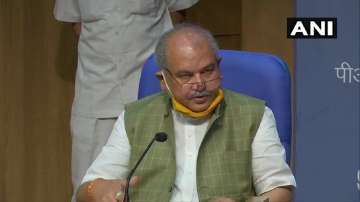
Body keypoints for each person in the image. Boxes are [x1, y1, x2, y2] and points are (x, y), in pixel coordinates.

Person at [76, 24, 296, 202]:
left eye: (208, 71)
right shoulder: (136, 118)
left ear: (219, 67)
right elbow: (87, 188)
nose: (199, 84)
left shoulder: (254, 115)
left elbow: (280, 191)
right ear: (163, 80)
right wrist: (98, 189)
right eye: (186, 76)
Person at [53, 0, 199, 199]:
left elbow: (179, 15)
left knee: (160, 181)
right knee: (90, 186)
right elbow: (77, 23)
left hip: (152, 86)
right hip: (97, 90)